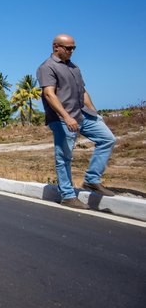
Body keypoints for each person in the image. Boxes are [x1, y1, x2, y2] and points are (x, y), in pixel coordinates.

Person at [37, 34, 116, 209]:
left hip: (83, 114)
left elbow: (83, 91)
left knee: (108, 139)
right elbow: (49, 94)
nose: (71, 51)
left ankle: (91, 180)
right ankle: (67, 195)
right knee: (64, 157)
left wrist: (94, 112)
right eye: (68, 48)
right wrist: (66, 117)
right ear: (55, 47)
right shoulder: (47, 67)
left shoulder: (74, 67)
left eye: (74, 48)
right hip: (62, 118)